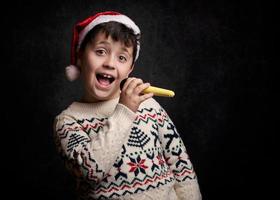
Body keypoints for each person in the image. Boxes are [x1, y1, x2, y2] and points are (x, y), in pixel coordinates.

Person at [53, 11, 202, 200]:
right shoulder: (67, 122)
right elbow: (90, 172)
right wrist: (124, 110)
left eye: (122, 58)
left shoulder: (149, 105)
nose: (109, 64)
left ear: (130, 69)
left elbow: (181, 165)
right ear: (80, 57)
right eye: (100, 52)